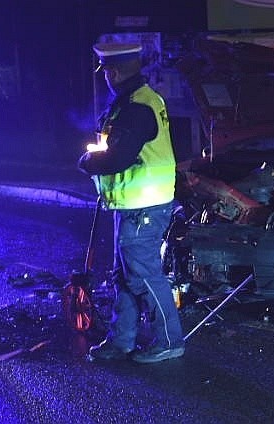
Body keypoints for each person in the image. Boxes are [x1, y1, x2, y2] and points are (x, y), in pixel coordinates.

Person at [78, 42, 185, 364]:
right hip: (131, 203)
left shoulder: (137, 106)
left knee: (144, 276)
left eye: (107, 71)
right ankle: (121, 339)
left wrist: (87, 162)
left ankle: (169, 341)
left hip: (144, 205)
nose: (105, 77)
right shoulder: (133, 101)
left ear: (115, 71)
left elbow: (118, 157)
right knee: (124, 275)